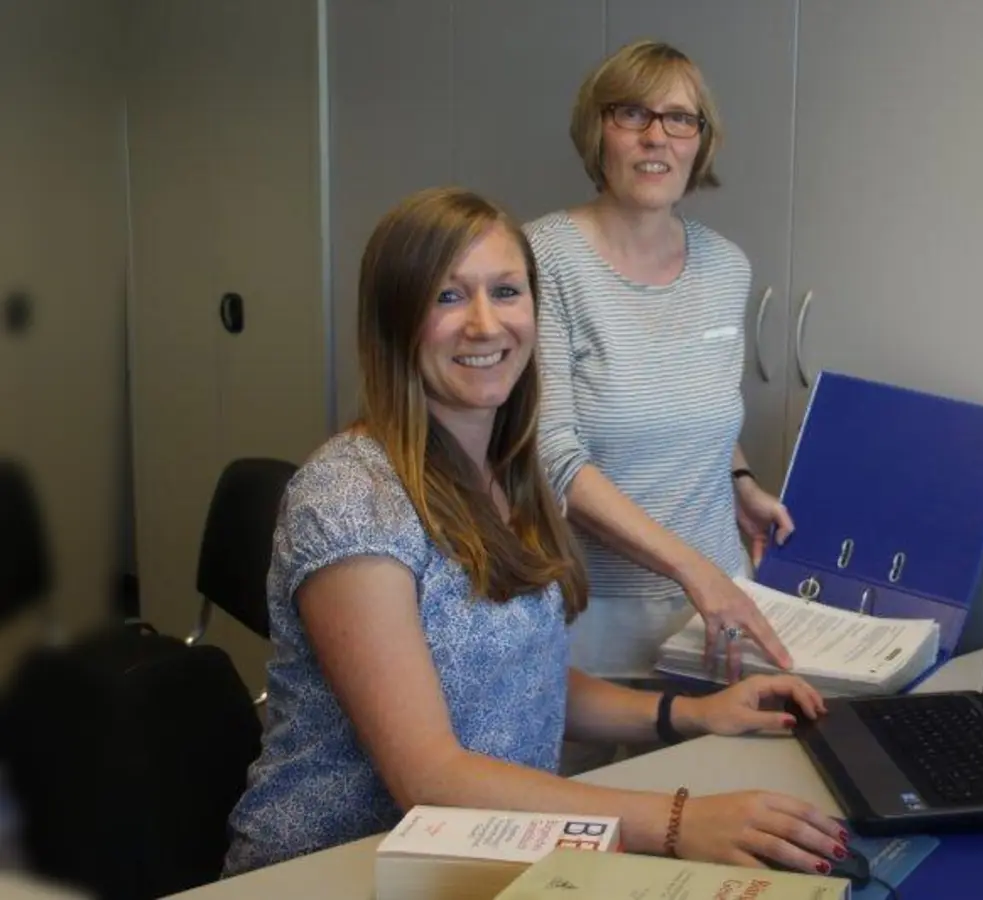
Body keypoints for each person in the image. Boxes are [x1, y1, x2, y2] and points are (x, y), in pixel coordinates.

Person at [220, 186, 848, 878]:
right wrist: (676, 821)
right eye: (448, 297)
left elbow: (525, 681)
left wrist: (691, 714)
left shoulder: (507, 473)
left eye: (506, 291)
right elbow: (430, 778)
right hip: (334, 870)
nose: (486, 324)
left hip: (484, 855)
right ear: (395, 320)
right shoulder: (351, 497)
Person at [524, 39, 793, 694]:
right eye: (632, 114)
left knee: (712, 758)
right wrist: (692, 569)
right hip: (592, 612)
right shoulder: (543, 258)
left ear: (700, 141)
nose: (656, 137)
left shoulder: (726, 267)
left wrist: (740, 481)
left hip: (716, 606)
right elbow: (554, 458)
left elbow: (695, 402)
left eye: (679, 118)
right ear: (598, 131)